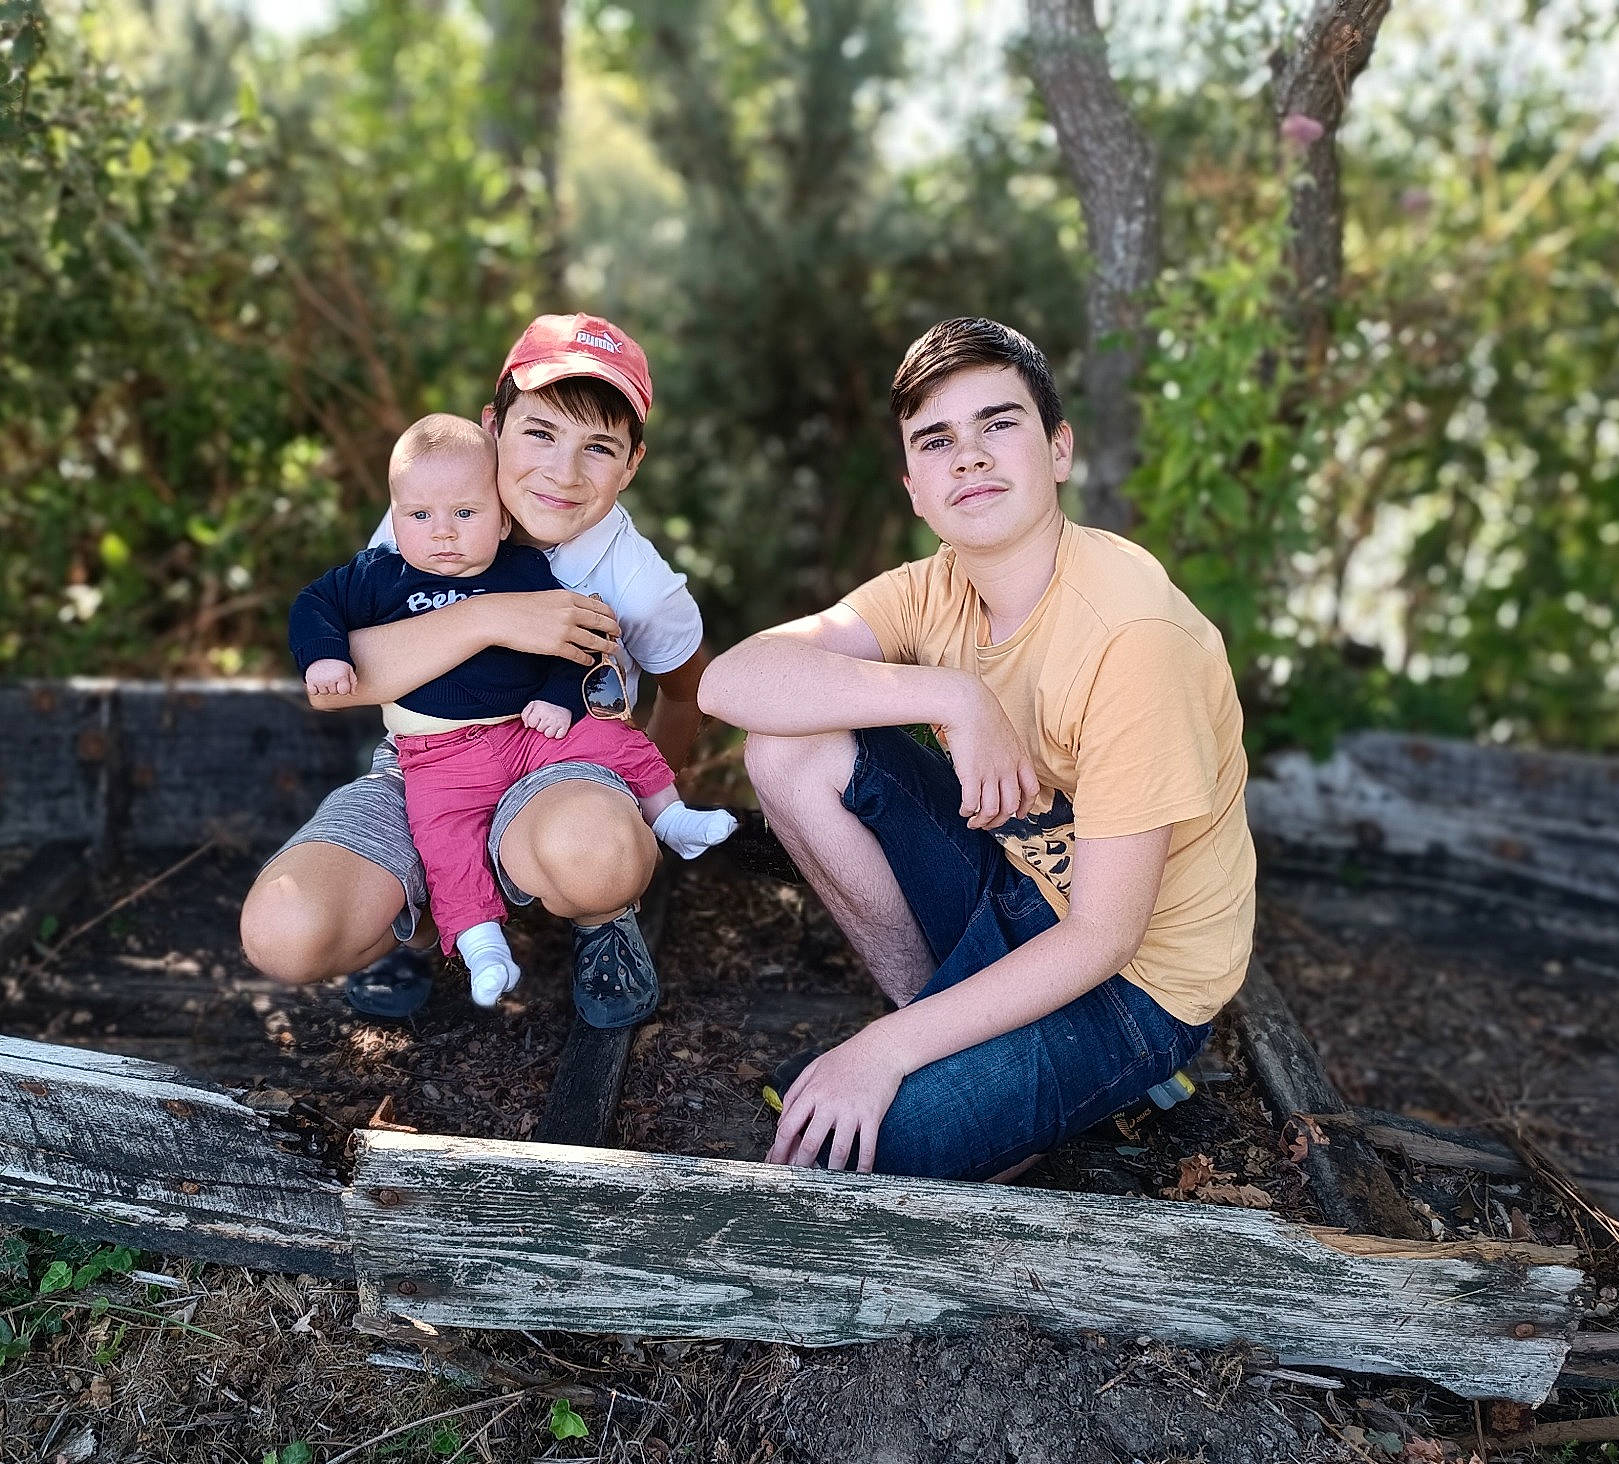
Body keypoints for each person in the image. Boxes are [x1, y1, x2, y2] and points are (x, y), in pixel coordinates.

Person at [697, 317, 1256, 1180]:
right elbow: (730, 682)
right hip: (1017, 885)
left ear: (1059, 449)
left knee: (867, 1155)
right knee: (787, 748)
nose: (969, 456)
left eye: (998, 423)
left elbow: (1105, 936)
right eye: (937, 439)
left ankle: (1053, 1072)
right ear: (915, 487)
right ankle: (936, 1017)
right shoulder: (934, 587)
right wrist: (953, 694)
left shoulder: (1134, 635)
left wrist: (881, 1052)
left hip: (1135, 984)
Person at [242, 314, 711, 1029]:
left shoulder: (638, 582)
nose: (562, 470)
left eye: (599, 448)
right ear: (493, 425)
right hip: (425, 764)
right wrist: (494, 618)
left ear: (632, 464)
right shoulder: (434, 509)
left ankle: (602, 915)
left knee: (598, 852)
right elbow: (340, 686)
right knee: (284, 930)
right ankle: (420, 916)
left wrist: (633, 810)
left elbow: (687, 694)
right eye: (540, 432)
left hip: (555, 759)